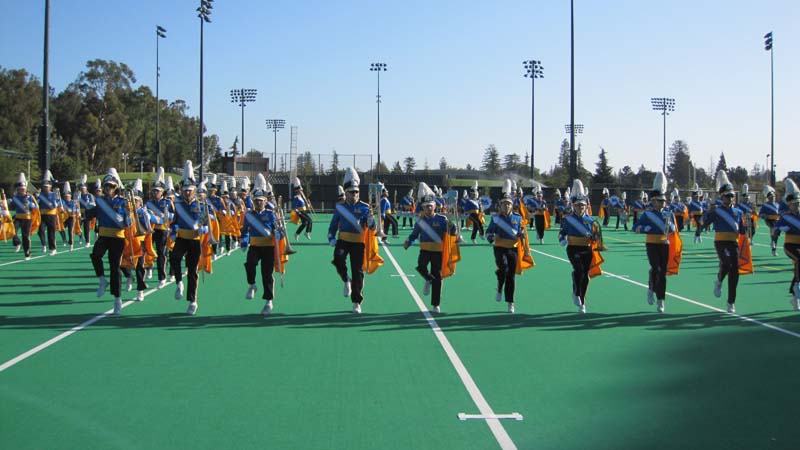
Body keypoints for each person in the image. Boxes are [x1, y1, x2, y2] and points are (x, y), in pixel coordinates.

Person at [403, 182, 458, 313]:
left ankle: (435, 305)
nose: (429, 208)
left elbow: (452, 233)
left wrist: (452, 226)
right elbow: (414, 234)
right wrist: (408, 242)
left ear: (434, 206)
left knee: (437, 277)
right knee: (421, 266)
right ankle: (428, 279)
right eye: (426, 206)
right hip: (425, 250)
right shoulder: (420, 221)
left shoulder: (442, 219)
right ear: (423, 207)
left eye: (431, 206)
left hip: (438, 252)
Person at [328, 167, 376, 314]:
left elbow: (373, 228)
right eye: (351, 192)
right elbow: (333, 225)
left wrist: (371, 220)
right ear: (346, 192)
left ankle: (356, 301)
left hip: (359, 243)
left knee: (358, 271)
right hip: (343, 240)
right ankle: (345, 280)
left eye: (356, 192)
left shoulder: (365, 207)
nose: (354, 194)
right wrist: (331, 237)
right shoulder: (340, 207)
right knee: (337, 260)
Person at [702, 171, 746, 313]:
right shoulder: (717, 210)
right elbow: (704, 222)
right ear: (722, 197)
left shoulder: (739, 212)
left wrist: (748, 235)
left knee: (735, 270)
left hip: (733, 242)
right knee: (726, 264)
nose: (730, 198)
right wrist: (708, 212)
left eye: (732, 196)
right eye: (728, 196)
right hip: (720, 242)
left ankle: (731, 302)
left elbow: (742, 230)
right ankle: (719, 280)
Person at [486, 179, 532, 313]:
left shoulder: (518, 218)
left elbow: (522, 234)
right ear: (499, 205)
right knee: (503, 268)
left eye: (508, 204)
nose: (506, 206)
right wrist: (493, 237)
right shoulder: (495, 219)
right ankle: (500, 287)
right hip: (499, 248)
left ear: (512, 205)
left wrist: (524, 242)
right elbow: (488, 234)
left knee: (511, 276)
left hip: (513, 249)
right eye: (503, 204)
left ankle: (510, 302)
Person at [633, 172, 676, 313]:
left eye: (663, 201)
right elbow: (635, 227)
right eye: (659, 201)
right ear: (653, 201)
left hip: (665, 244)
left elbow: (674, 230)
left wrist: (672, 227)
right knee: (656, 268)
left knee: (662, 273)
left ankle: (661, 300)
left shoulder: (668, 214)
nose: (662, 203)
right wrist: (644, 228)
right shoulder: (647, 214)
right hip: (651, 244)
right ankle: (652, 288)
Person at [90, 168, 131, 315]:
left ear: (116, 188)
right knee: (95, 256)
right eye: (106, 186)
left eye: (112, 186)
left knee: (115, 267)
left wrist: (129, 219)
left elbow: (127, 220)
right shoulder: (100, 201)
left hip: (118, 237)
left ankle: (117, 299)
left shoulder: (123, 201)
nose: (108, 189)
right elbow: (93, 212)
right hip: (103, 235)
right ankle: (102, 279)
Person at [240, 174, 283, 315]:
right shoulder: (249, 215)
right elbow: (245, 230)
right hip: (255, 246)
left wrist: (278, 233)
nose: (259, 203)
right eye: (256, 201)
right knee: (250, 264)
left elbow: (280, 232)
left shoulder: (271, 214)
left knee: (267, 274)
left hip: (268, 247)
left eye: (261, 201)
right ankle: (252, 285)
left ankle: (268, 301)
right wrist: (244, 242)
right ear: (253, 201)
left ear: (265, 201)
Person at [558, 179, 602, 313]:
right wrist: (563, 240)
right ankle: (576, 293)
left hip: (587, 249)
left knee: (585, 275)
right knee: (578, 270)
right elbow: (562, 233)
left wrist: (596, 238)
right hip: (573, 248)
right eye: (578, 206)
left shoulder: (591, 221)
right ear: (573, 206)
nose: (580, 208)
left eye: (582, 206)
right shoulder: (568, 219)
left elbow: (596, 237)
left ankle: (582, 300)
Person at [170, 160, 207, 315]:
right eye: (185, 190)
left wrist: (203, 228)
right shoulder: (177, 204)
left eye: (189, 190)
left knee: (192, 271)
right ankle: (179, 282)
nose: (187, 192)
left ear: (194, 190)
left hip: (195, 240)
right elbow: (175, 221)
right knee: (174, 258)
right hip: (182, 238)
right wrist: (173, 230)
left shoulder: (201, 205)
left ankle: (193, 301)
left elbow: (205, 222)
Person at [773, 178, 800, 309]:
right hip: (790, 245)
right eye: (794, 204)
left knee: (798, 267)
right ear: (789, 204)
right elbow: (775, 230)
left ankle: (795, 297)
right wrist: (780, 230)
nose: (797, 206)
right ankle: (796, 287)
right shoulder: (785, 217)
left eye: (798, 203)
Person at [145, 167, 173, 289]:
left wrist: (164, 216)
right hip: (150, 230)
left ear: (162, 192)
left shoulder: (167, 202)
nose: (156, 193)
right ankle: (149, 268)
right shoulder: (148, 203)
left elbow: (174, 215)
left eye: (158, 191)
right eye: (154, 191)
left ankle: (162, 277)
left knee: (161, 253)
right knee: (148, 250)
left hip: (162, 230)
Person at [8, 172, 38, 260]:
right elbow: (12, 207)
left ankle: (27, 252)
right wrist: (7, 203)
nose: (22, 190)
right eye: (20, 189)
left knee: (26, 236)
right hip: (18, 217)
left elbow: (36, 207)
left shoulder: (30, 197)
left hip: (27, 218)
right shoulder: (15, 197)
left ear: (25, 189)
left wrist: (30, 204)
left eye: (23, 189)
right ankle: (17, 243)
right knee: (12, 231)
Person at [36, 170, 61, 255]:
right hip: (42, 215)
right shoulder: (40, 195)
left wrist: (54, 204)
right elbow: (37, 203)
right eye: (44, 186)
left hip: (51, 215)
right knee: (41, 231)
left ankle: (53, 249)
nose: (45, 188)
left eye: (47, 186)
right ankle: (43, 245)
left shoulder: (54, 194)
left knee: (51, 232)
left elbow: (58, 204)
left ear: (50, 187)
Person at [760, 185, 782, 256]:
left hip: (777, 221)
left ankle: (773, 246)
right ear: (768, 198)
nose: (773, 198)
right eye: (771, 197)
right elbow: (761, 214)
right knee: (773, 229)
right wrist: (764, 216)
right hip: (769, 220)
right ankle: (773, 243)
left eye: (773, 197)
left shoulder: (777, 205)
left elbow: (780, 212)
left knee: (776, 236)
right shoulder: (765, 205)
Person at [77, 175, 96, 247]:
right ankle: (80, 237)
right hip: (79, 212)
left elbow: (93, 204)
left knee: (86, 227)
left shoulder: (90, 195)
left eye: (84, 188)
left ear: (86, 188)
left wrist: (89, 204)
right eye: (81, 188)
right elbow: (76, 203)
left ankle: (87, 241)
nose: (82, 190)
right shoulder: (78, 195)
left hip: (87, 212)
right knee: (78, 226)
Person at [60, 182, 80, 250]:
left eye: (68, 196)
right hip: (64, 217)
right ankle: (64, 240)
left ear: (70, 196)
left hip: (71, 217)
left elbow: (76, 210)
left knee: (70, 230)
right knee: (61, 228)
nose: (66, 197)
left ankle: (71, 243)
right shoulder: (62, 201)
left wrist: (75, 210)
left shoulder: (73, 202)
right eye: (65, 196)